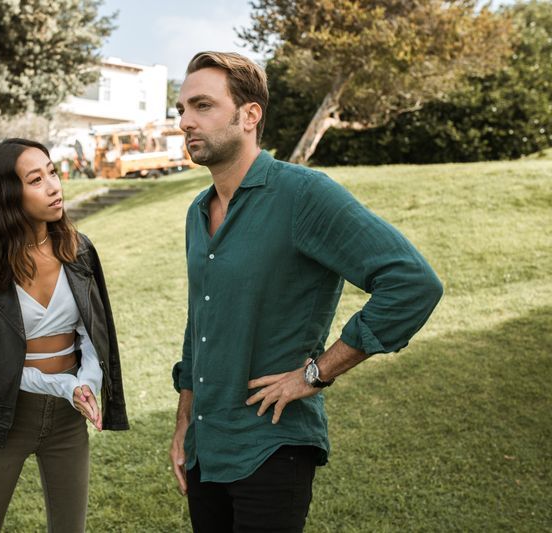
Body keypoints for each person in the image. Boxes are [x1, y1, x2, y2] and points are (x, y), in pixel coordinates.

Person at [169, 51, 443, 532]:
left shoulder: (303, 195)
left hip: (273, 447)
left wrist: (315, 374)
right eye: (181, 110)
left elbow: (411, 283)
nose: (186, 122)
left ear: (249, 114)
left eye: (202, 106)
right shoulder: (199, 210)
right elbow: (201, 321)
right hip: (205, 449)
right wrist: (183, 422)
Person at [0, 138, 129, 533]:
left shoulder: (80, 251)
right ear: (6, 194)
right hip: (3, 419)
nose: (54, 186)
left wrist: (86, 383)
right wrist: (63, 385)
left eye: (52, 172)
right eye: (36, 180)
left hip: (68, 420)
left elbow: (95, 334)